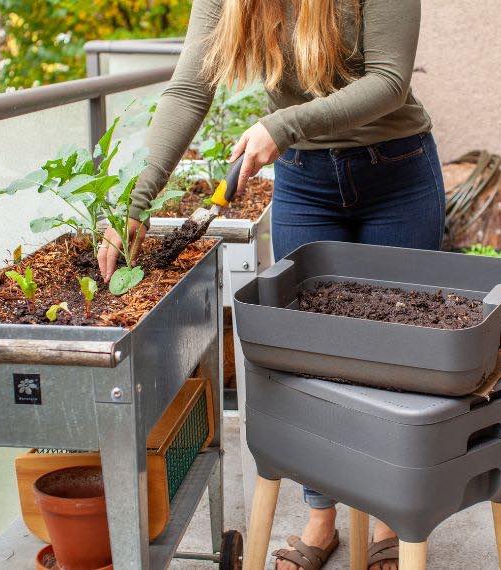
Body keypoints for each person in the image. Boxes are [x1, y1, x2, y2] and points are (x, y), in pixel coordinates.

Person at [97, 1, 444, 568]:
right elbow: (189, 90)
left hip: (396, 174)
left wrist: (281, 125)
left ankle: (390, 519)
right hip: (307, 184)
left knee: (397, 356)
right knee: (307, 361)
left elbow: (388, 81)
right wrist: (135, 204)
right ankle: (321, 515)